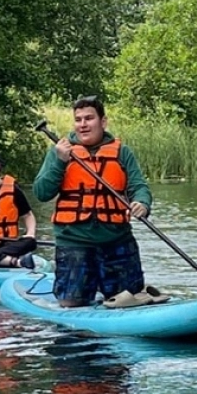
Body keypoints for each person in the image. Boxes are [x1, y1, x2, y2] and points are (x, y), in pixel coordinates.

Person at [31, 96, 156, 306]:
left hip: (117, 239)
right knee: (71, 303)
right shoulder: (61, 151)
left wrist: (142, 203)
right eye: (78, 119)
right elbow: (42, 192)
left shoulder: (122, 152)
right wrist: (60, 163)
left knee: (130, 301)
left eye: (89, 118)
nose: (83, 124)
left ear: (103, 122)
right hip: (74, 241)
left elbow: (139, 186)